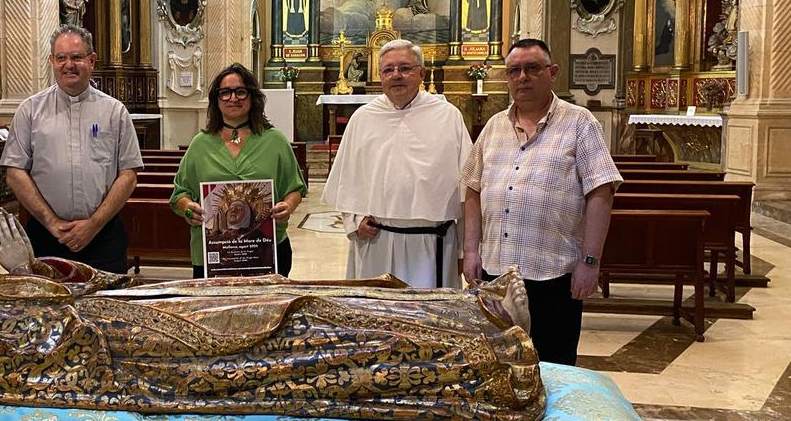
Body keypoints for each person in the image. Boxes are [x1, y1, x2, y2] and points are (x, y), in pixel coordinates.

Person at [0, 206, 545, 421]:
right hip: (131, 346)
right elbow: (27, 356)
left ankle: (468, 305)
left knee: (268, 294)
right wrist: (28, 285)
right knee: (300, 318)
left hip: (123, 312)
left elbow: (43, 313)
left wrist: (37, 275)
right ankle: (474, 339)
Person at [461, 38, 622, 366]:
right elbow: (473, 191)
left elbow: (601, 192)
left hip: (553, 276)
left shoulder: (580, 123)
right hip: (496, 276)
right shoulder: (493, 127)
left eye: (532, 68)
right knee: (497, 365)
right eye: (514, 71)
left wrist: (590, 262)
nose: (523, 77)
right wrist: (472, 251)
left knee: (553, 368)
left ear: (552, 73)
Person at [324, 39, 472, 289]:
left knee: (428, 321)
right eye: (388, 70)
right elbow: (347, 179)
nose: (396, 76)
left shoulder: (447, 116)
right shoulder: (363, 118)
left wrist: (463, 251)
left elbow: (467, 190)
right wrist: (354, 220)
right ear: (380, 75)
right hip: (376, 241)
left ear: (421, 73)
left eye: (405, 68)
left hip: (432, 243)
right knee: (377, 319)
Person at [0, 24, 143, 274]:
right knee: (49, 312)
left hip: (104, 237)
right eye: (61, 58)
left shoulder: (114, 112)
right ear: (52, 61)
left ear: (92, 60)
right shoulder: (30, 111)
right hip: (46, 236)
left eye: (77, 57)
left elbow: (128, 174)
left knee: (105, 309)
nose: (69, 65)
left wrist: (94, 224)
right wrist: (52, 223)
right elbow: (15, 172)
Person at [171, 64, 307, 277]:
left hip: (267, 250)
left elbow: (295, 188)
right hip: (214, 254)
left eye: (240, 91)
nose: (233, 98)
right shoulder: (200, 144)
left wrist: (287, 206)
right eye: (225, 92)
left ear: (252, 97)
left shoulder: (275, 140)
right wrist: (189, 209)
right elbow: (180, 194)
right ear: (216, 99)